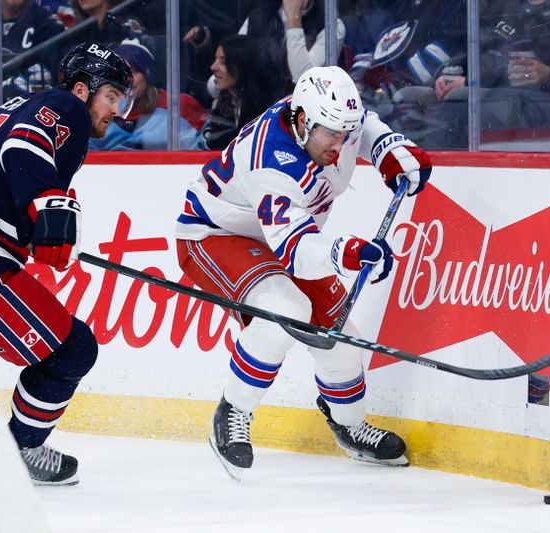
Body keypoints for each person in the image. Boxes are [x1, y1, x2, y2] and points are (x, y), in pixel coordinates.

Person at [175, 65, 431, 479]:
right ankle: (233, 411)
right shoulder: (272, 163)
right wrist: (346, 252)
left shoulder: (330, 124)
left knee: (343, 338)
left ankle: (349, 428)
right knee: (285, 310)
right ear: (300, 121)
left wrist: (389, 148)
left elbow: (364, 125)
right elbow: (295, 253)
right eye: (330, 133)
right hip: (215, 236)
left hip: (283, 235)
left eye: (343, 133)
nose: (339, 144)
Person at [0, 42, 133, 486]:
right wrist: (45, 205)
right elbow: (25, 144)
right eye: (112, 96)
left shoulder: (3, 112)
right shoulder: (64, 107)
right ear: (81, 88)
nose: (116, 111)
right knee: (72, 349)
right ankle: (21, 450)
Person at [90, 38, 202, 150]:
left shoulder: (179, 105)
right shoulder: (97, 111)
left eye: (134, 71)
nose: (127, 79)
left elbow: (204, 147)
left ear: (148, 76)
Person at [197, 34, 285, 150]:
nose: (213, 67)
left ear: (243, 65)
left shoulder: (271, 110)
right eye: (215, 60)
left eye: (223, 62)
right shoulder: (223, 105)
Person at [238, 0, 346, 91]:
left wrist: (294, 19)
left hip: (305, 105)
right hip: (261, 99)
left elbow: (303, 78)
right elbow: (235, 61)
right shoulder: (260, 14)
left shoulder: (331, 26)